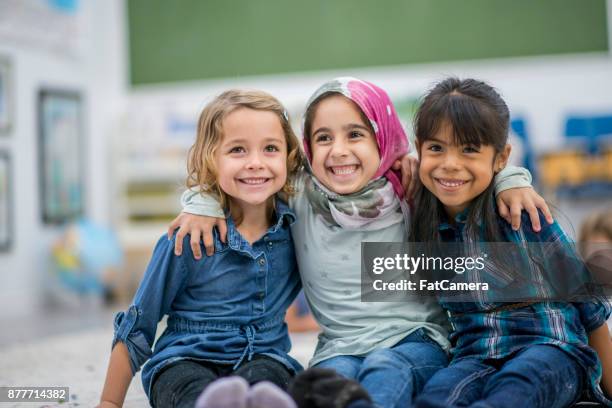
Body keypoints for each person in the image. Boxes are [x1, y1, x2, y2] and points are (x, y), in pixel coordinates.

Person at [169, 77, 551, 408]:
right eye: (323, 138)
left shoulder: (411, 187)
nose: (339, 150)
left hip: (416, 340)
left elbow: (470, 174)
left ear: (382, 139)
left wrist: (512, 179)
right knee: (326, 383)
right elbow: (245, 183)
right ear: (306, 148)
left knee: (386, 369)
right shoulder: (299, 194)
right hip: (338, 347)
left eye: (355, 134)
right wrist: (200, 202)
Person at [405, 77, 612, 408]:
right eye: (436, 148)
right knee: (435, 398)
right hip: (476, 357)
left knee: (515, 388)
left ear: (502, 158)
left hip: (551, 351)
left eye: (469, 149)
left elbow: (590, 308)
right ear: (419, 148)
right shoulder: (426, 222)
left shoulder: (524, 214)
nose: (450, 163)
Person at [98, 90, 304, 408]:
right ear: (211, 159)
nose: (256, 163)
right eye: (237, 149)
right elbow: (139, 325)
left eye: (271, 148)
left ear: (288, 156)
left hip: (264, 355)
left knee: (272, 379)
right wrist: (109, 404)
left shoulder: (299, 230)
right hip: (184, 358)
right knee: (186, 387)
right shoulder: (186, 238)